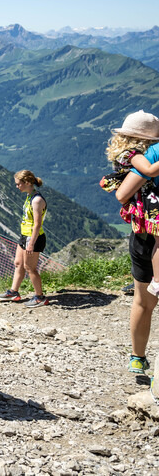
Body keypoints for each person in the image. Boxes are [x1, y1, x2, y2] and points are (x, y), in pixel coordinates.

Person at [114, 111, 159, 376]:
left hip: (143, 231)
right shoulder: (147, 154)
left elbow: (122, 194)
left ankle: (137, 356)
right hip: (150, 228)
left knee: (143, 301)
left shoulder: (143, 154)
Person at [102, 111, 159, 298]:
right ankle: (157, 281)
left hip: (140, 203)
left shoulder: (124, 153)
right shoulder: (133, 154)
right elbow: (149, 170)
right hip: (149, 202)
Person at [0, 170, 49, 307]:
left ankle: (40, 297)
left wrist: (31, 243)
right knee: (18, 263)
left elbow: (37, 224)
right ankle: (14, 292)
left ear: (27, 183)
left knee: (30, 267)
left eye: (18, 184)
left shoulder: (36, 200)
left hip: (33, 237)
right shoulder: (29, 196)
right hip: (25, 235)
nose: (16, 186)